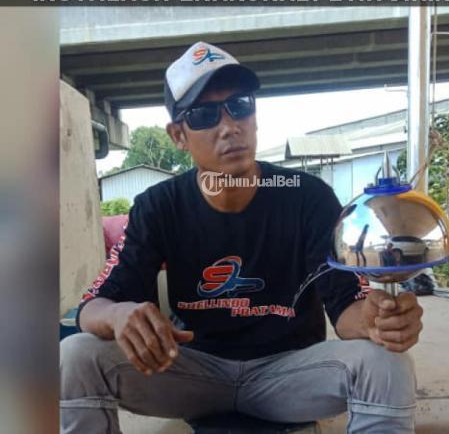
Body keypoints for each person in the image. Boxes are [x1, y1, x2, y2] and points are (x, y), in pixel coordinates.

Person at [60, 42, 424, 434]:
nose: (230, 126)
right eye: (204, 115)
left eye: (240, 105)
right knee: (75, 355)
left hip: (288, 376)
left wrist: (375, 322)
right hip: (192, 374)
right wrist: (118, 316)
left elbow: (346, 304)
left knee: (387, 363)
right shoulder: (159, 206)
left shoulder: (307, 197)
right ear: (178, 135)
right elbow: (93, 306)